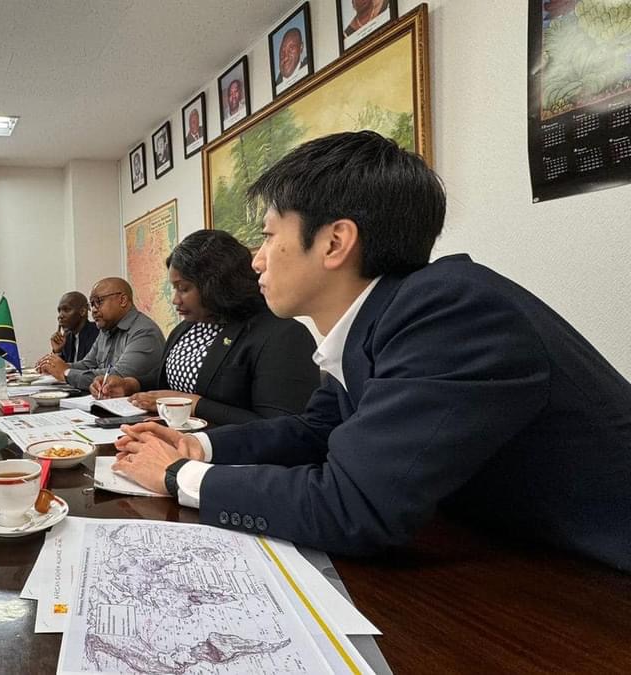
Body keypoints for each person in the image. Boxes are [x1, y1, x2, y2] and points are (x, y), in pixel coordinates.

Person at [113, 131, 631, 571]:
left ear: (335, 242)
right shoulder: (379, 320)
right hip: (516, 556)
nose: (257, 261)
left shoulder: (449, 310)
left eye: (268, 236)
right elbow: (315, 432)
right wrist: (198, 448)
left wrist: (177, 476)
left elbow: (354, 508)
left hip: (599, 576)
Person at [96, 230, 319, 427]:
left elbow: (282, 427)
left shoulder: (282, 335)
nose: (175, 300)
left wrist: (194, 404)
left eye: (183, 288)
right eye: (174, 289)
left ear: (216, 284)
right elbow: (171, 377)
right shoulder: (187, 328)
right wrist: (131, 384)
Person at [37, 278, 165, 391]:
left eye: (98, 302)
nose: (93, 310)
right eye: (92, 304)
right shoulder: (106, 330)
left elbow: (118, 376)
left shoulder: (144, 332)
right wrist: (54, 367)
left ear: (122, 300)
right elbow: (87, 364)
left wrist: (66, 372)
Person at [50, 291, 100, 363]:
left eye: (66, 310)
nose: (60, 316)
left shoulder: (98, 333)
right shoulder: (67, 337)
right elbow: (60, 368)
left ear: (82, 311)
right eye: (59, 311)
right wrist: (57, 351)